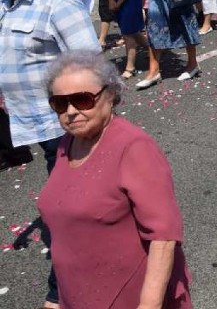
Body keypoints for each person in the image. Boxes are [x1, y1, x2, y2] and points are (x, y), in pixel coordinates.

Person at [39, 50, 192, 308]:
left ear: (110, 95)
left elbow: (163, 237)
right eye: (60, 103)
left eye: (83, 100)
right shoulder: (69, 143)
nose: (71, 111)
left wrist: (149, 304)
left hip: (128, 296)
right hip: (79, 293)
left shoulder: (134, 147)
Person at [0, 0, 100, 308]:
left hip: (60, 124)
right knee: (70, 205)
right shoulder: (9, 1)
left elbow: (89, 62)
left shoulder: (56, 0)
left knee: (63, 210)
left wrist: (83, 120)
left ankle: (59, 293)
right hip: (30, 122)